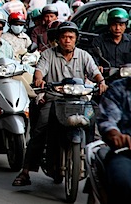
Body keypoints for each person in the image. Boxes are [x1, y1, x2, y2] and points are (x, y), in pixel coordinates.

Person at [12, 21, 107, 187]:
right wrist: (39, 79)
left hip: (80, 100)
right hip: (55, 100)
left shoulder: (83, 55)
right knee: (40, 130)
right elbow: (40, 70)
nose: (67, 40)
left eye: (71, 37)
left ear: (76, 39)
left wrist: (101, 82)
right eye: (64, 37)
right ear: (58, 39)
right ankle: (26, 171)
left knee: (96, 128)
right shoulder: (48, 54)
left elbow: (95, 73)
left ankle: (98, 172)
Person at [97, 77, 131, 203]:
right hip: (124, 152)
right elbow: (108, 120)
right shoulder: (119, 88)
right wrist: (116, 135)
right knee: (123, 182)